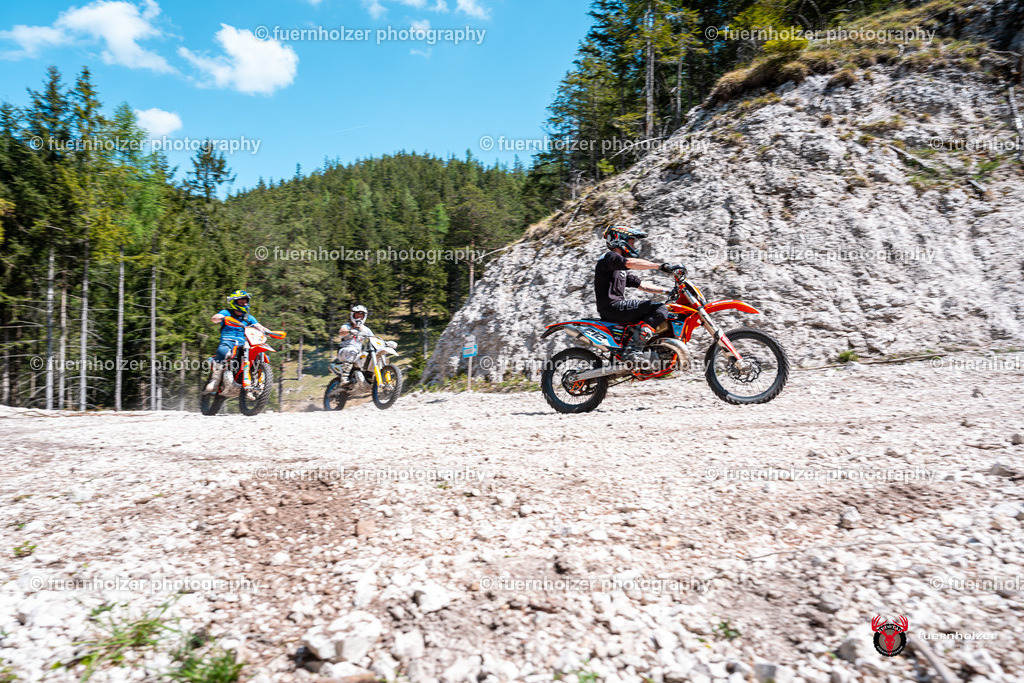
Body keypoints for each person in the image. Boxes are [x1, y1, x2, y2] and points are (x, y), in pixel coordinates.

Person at [595, 226, 684, 362]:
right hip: (612, 307)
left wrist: (667, 291)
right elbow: (630, 263)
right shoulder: (610, 257)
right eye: (631, 242)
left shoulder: (617, 268)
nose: (633, 246)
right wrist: (659, 266)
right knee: (660, 309)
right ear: (620, 240)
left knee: (663, 312)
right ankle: (633, 350)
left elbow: (642, 285)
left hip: (615, 308)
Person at [205, 290, 272, 393]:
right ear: (234, 302)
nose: (244, 304)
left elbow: (258, 326)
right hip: (228, 341)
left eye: (245, 302)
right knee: (223, 351)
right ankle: (215, 379)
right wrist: (223, 318)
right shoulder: (227, 313)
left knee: (261, 356)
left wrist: (270, 332)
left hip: (244, 344)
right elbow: (214, 318)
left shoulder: (248, 317)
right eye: (241, 302)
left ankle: (258, 382)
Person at [335, 305, 373, 386]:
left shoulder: (365, 329)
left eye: (361, 316)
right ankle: (344, 378)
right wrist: (350, 332)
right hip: (344, 351)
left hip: (357, 354)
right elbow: (341, 332)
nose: (359, 318)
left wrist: (384, 343)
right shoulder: (347, 326)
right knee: (352, 351)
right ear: (352, 316)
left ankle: (369, 378)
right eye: (357, 315)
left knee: (370, 356)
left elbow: (373, 338)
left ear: (364, 317)